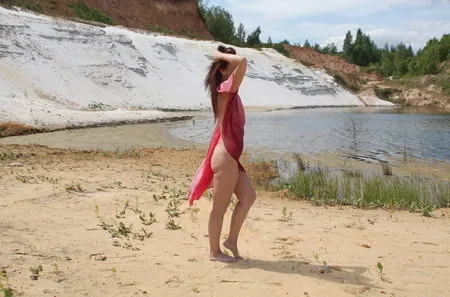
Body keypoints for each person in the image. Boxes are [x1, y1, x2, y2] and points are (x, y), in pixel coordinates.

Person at [188, 46, 256, 263]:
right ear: (225, 71)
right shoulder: (226, 89)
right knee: (220, 207)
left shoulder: (226, 91)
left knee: (248, 197)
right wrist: (219, 56)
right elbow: (244, 60)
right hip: (225, 157)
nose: (238, 67)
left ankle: (231, 241)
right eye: (232, 65)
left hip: (230, 158)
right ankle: (214, 252)